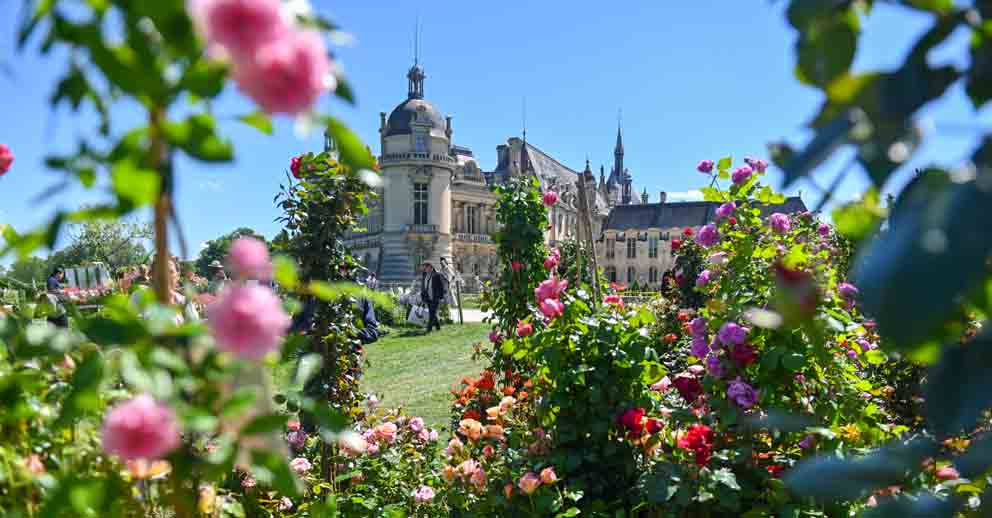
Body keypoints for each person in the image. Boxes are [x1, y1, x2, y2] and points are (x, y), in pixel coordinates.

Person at [420, 262, 444, 333]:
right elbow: (423, 286)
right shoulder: (424, 275)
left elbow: (441, 287)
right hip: (428, 298)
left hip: (435, 297)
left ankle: (429, 329)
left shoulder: (436, 275)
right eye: (425, 267)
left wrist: (441, 297)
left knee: (432, 313)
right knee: (432, 312)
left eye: (427, 267)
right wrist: (422, 295)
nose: (426, 269)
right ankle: (438, 327)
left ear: (431, 267)